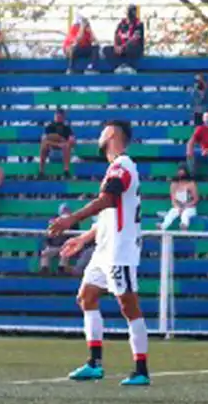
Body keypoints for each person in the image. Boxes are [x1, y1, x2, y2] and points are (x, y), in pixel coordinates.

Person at [48, 120, 150, 387]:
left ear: (113, 134)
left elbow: (106, 200)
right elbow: (108, 213)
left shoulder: (123, 165)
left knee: (128, 306)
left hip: (120, 250)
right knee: (86, 297)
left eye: (104, 130)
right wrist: (84, 237)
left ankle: (141, 369)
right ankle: (94, 363)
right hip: (105, 249)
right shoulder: (115, 168)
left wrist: (71, 220)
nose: (99, 135)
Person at [103, 5, 144, 73]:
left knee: (130, 47)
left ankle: (130, 66)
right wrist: (116, 46)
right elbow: (116, 35)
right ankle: (117, 66)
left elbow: (134, 38)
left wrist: (122, 46)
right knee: (106, 49)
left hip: (133, 48)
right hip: (121, 48)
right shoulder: (121, 24)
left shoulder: (138, 24)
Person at [39, 108, 75, 177]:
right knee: (44, 146)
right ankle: (41, 171)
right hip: (51, 151)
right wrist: (58, 142)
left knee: (66, 146)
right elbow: (44, 140)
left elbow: (72, 141)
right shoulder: (49, 127)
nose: (58, 118)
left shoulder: (67, 128)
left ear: (63, 117)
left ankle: (66, 170)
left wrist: (65, 142)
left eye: (60, 116)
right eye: (57, 116)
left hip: (63, 152)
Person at [160, 166, 198, 230]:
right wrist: (178, 208)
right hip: (178, 206)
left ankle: (184, 225)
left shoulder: (191, 184)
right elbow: (173, 200)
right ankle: (163, 226)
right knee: (172, 212)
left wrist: (185, 206)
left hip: (190, 208)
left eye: (183, 175)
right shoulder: (174, 185)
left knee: (185, 214)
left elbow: (196, 199)